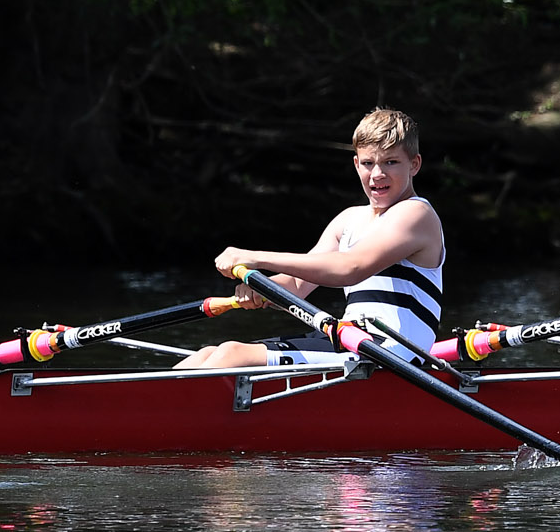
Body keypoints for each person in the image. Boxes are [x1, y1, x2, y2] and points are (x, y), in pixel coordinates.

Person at [176, 107, 448, 368]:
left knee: (232, 355)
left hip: (394, 353)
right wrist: (261, 289)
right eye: (368, 163)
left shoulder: (416, 213)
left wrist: (255, 258)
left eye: (391, 162)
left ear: (414, 164)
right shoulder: (349, 219)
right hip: (351, 340)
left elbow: (349, 268)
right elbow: (295, 284)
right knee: (208, 354)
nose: (377, 174)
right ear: (356, 164)